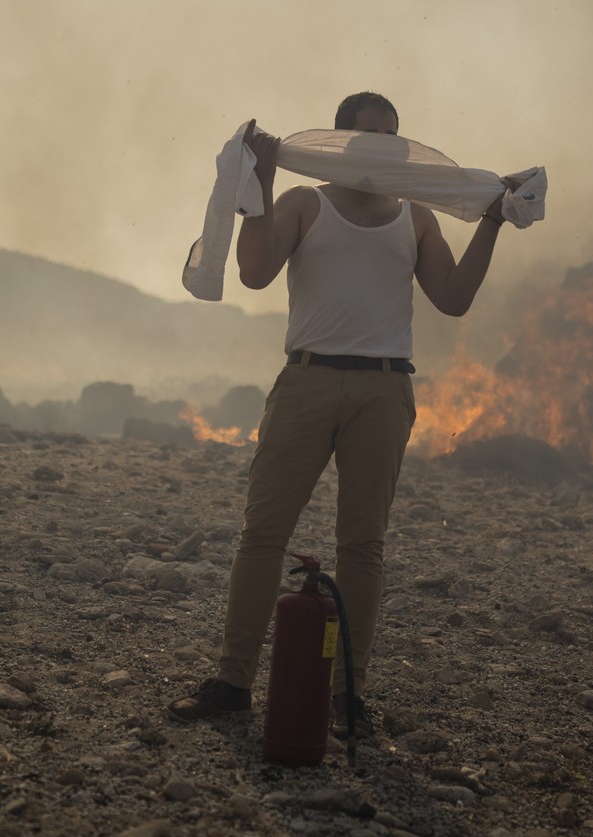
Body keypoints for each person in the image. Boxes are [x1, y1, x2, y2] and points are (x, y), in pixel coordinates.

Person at [170, 92, 520, 737]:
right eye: (369, 136)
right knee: (263, 535)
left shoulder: (415, 217)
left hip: (385, 391)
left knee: (363, 547)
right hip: (307, 379)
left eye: (392, 135)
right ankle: (232, 682)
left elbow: (454, 298)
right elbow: (252, 272)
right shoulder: (307, 203)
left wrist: (493, 220)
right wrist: (266, 178)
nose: (382, 146)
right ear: (342, 143)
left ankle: (346, 695)